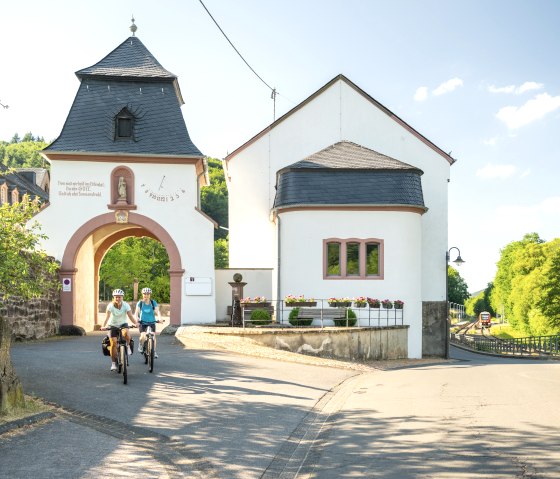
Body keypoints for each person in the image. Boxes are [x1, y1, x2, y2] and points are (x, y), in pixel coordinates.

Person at [101, 289, 138, 371]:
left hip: (123, 324)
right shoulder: (110, 306)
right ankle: (113, 363)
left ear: (122, 297)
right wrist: (103, 326)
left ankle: (128, 347)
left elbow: (130, 316)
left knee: (126, 334)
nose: (118, 298)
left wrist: (136, 323)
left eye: (119, 297)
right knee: (113, 343)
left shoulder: (126, 305)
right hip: (112, 325)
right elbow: (107, 317)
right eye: (116, 297)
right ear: (113, 297)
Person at [134, 287, 162, 358]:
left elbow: (157, 311)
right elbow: (136, 313)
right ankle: (140, 345)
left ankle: (154, 351)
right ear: (142, 294)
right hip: (142, 323)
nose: (146, 295)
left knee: (153, 336)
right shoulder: (140, 303)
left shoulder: (153, 302)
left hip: (152, 322)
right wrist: (137, 320)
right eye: (144, 294)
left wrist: (159, 318)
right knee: (142, 336)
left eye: (148, 294)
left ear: (150, 295)